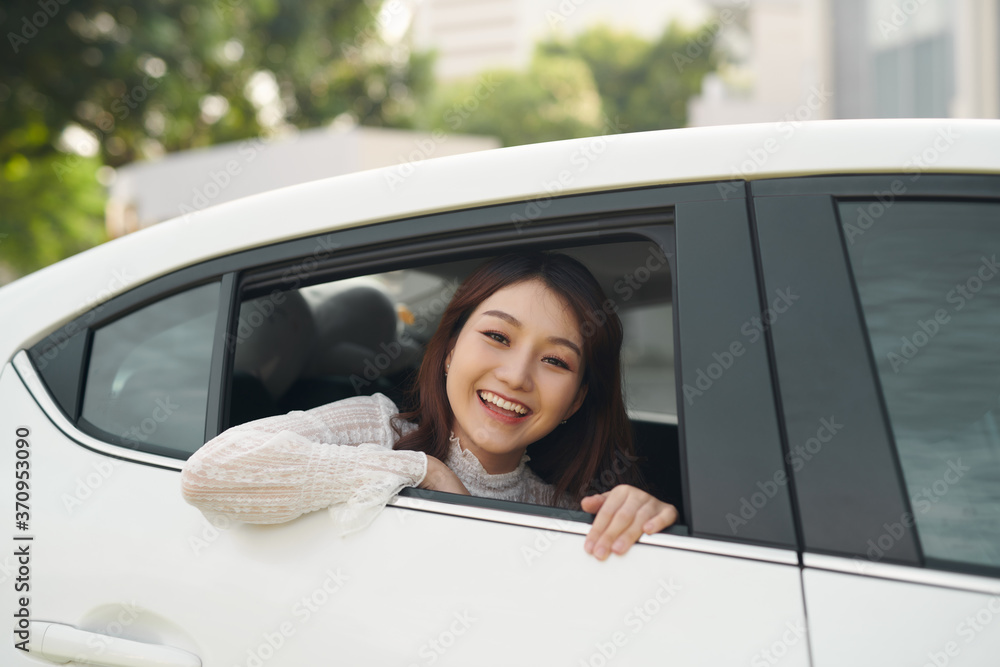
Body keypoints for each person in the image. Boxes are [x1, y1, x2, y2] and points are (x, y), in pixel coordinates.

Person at [181, 251, 677, 560]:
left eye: (554, 360)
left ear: (576, 401)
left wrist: (644, 521)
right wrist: (419, 470)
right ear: (449, 351)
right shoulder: (378, 427)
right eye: (497, 336)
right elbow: (209, 473)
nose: (516, 375)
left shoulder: (564, 511)